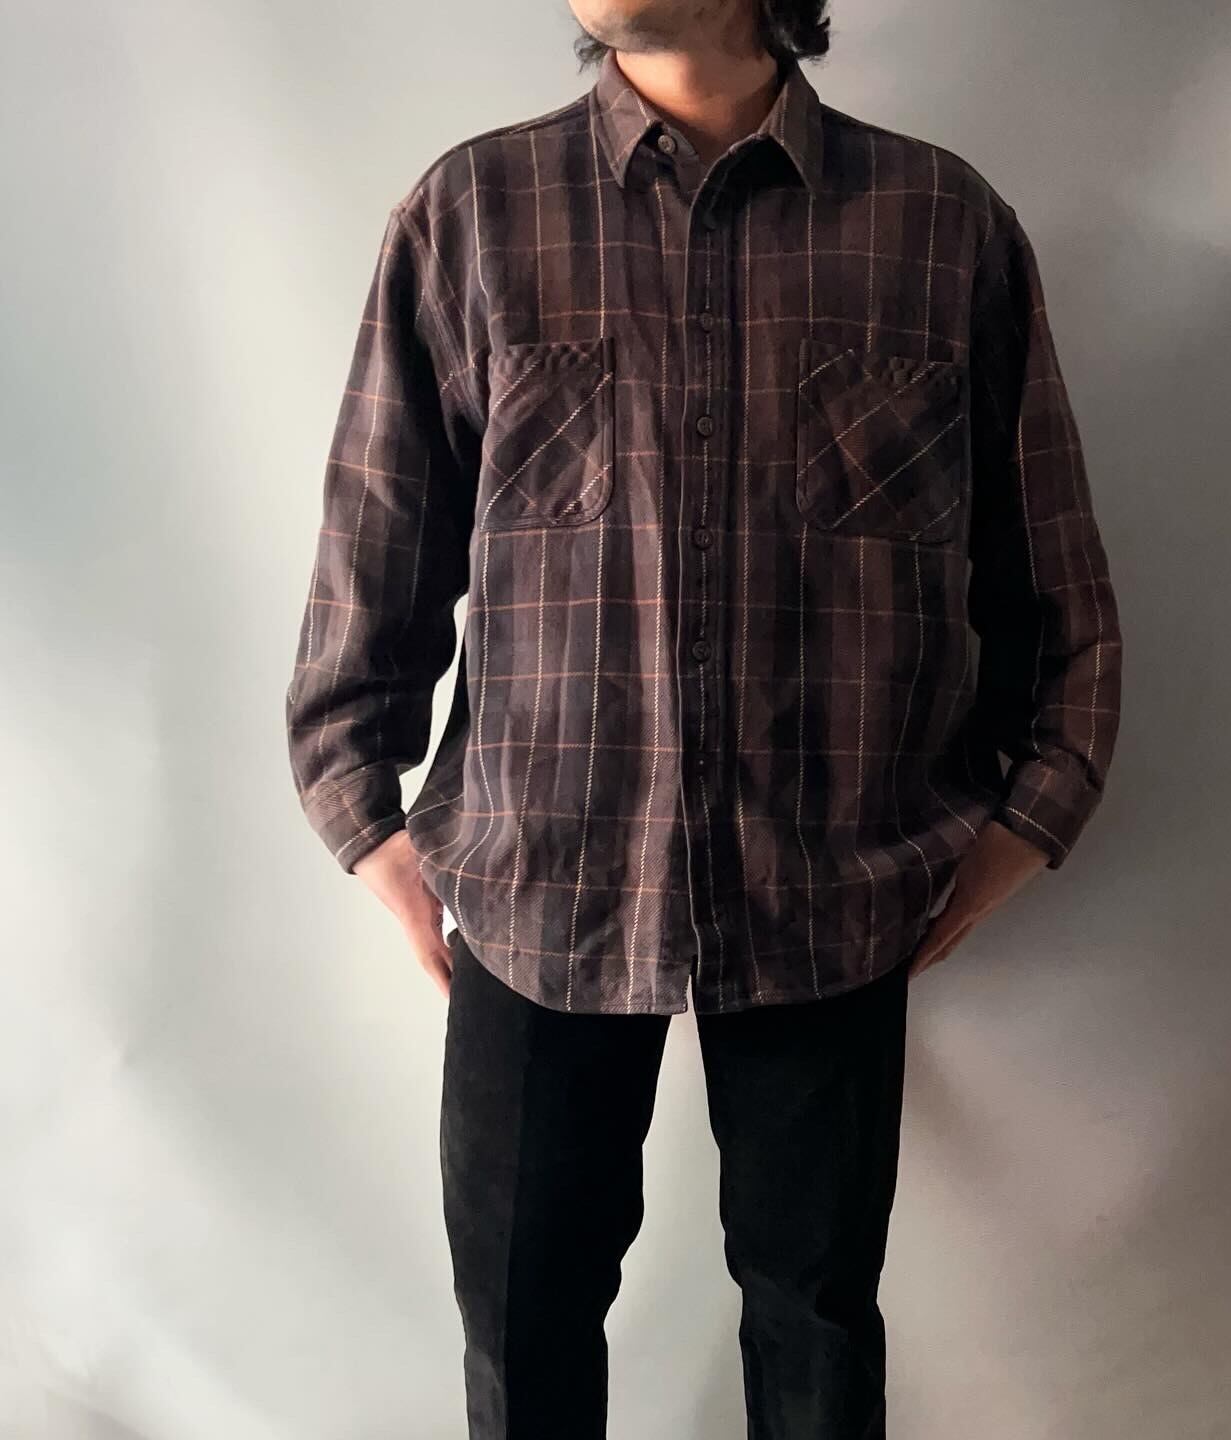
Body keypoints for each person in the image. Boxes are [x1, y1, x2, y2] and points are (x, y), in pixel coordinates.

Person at [283, 1, 1123, 1434]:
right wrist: (364, 818)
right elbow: (380, 545)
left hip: (833, 893)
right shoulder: (475, 213)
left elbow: (1052, 578)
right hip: (538, 883)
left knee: (816, 1329)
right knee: (523, 1321)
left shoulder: (938, 229)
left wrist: (1030, 816)